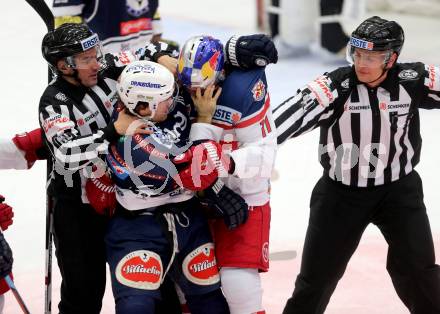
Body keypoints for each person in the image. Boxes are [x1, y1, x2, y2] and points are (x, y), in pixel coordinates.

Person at [272, 16, 440, 314]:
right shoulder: (335, 86)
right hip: (341, 195)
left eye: (373, 57)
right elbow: (279, 122)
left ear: (392, 58)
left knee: (421, 275)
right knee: (315, 282)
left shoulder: (413, 80)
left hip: (399, 193)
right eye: (358, 54)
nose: (362, 63)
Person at [104, 59, 250, 314]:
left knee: (211, 304)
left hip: (188, 220)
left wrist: (163, 56)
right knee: (135, 308)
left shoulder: (154, 112)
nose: (173, 103)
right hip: (138, 231)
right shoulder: (130, 142)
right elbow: (198, 166)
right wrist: (205, 120)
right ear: (143, 104)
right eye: (166, 99)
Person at [38, 22, 155, 314]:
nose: (97, 63)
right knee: (84, 296)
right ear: (65, 66)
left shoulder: (107, 70)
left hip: (124, 201)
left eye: (96, 53)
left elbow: (153, 51)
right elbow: (66, 153)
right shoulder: (54, 102)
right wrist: (114, 130)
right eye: (87, 58)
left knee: (142, 283)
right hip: (77, 214)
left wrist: (163, 57)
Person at [177, 35, 278, 314]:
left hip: (246, 197)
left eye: (202, 83)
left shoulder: (244, 91)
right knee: (187, 281)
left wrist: (222, 165)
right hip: (197, 199)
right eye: (189, 84)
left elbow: (264, 156)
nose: (195, 90)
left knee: (238, 282)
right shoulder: (178, 87)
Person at [51, 0, 163, 53]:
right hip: (99, 73)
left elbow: (156, 31)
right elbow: (67, 38)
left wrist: (157, 55)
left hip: (141, 67)